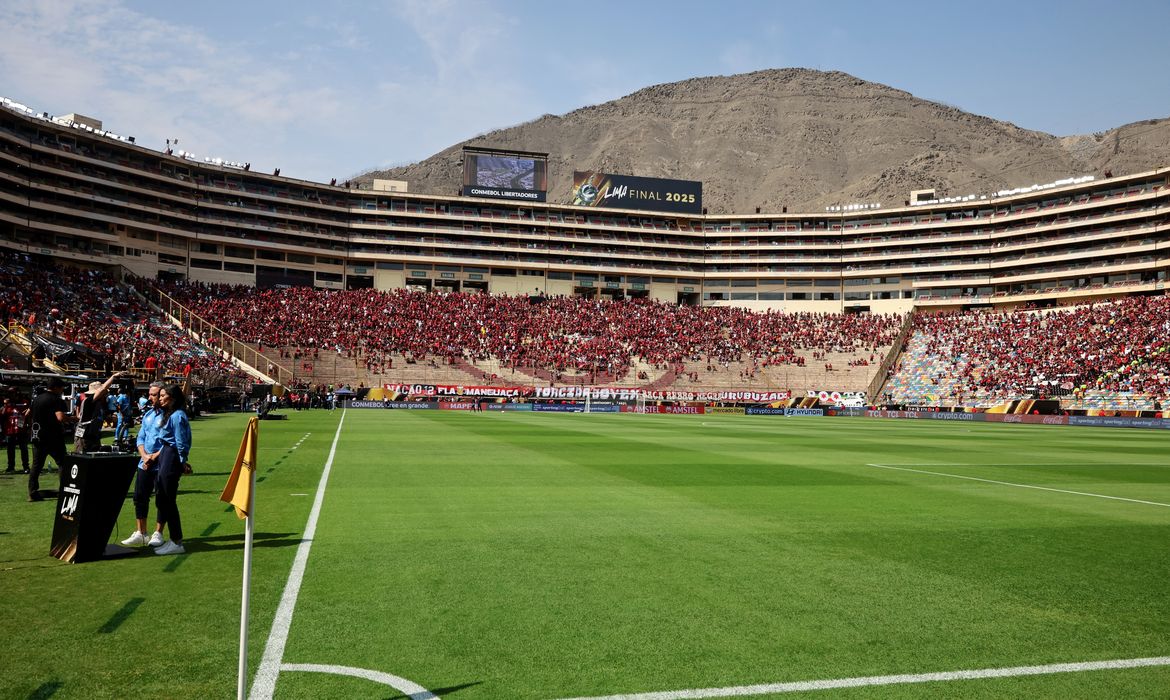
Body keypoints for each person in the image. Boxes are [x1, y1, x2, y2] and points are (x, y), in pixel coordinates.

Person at [122, 382, 166, 548]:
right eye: (150, 394)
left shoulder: (169, 415)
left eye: (154, 394)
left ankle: (158, 533)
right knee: (139, 497)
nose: (150, 397)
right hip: (144, 462)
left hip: (161, 463)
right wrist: (144, 455)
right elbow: (141, 438)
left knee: (162, 499)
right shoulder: (148, 414)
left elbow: (171, 442)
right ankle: (141, 532)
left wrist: (153, 457)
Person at [151, 383, 191, 555]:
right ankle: (173, 539)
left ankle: (176, 540)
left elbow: (181, 441)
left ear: (172, 398)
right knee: (162, 497)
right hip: (166, 453)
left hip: (172, 455)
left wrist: (182, 462)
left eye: (162, 395)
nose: (159, 399)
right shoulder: (171, 414)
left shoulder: (177, 416)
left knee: (167, 499)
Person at [28, 377, 69, 501]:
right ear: (56, 387)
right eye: (62, 387)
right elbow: (60, 418)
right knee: (62, 463)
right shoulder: (57, 400)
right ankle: (64, 491)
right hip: (54, 437)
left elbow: (28, 414)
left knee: (36, 466)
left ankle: (32, 492)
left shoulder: (37, 399)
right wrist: (75, 419)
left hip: (38, 436)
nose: (62, 390)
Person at [73, 372, 126, 453]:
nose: (106, 394)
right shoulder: (88, 401)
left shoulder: (100, 403)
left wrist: (109, 418)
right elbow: (102, 389)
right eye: (103, 393)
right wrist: (113, 377)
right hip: (84, 436)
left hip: (94, 435)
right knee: (83, 458)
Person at [2, 397, 30, 473]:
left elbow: (27, 414)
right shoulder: (7, 406)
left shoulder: (23, 403)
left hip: (21, 430)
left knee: (24, 449)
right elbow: (2, 415)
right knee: (10, 450)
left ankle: (26, 467)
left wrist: (27, 426)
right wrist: (5, 405)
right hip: (10, 430)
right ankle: (11, 467)